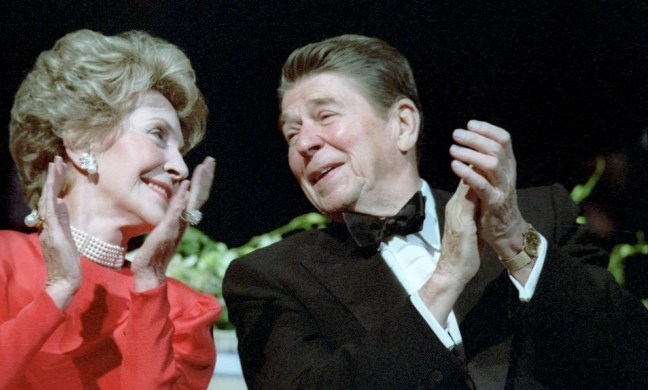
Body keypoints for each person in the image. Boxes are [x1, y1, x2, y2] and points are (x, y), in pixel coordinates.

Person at [222, 34, 648, 389]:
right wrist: (443, 281)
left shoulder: (541, 215)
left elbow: (630, 354)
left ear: (403, 124)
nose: (304, 142)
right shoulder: (270, 277)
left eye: (325, 116)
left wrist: (515, 240)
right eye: (291, 131)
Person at [0, 29, 220, 389]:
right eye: (158, 135)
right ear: (81, 141)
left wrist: (149, 283)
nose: (180, 168)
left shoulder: (183, 311)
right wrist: (58, 292)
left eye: (182, 152)